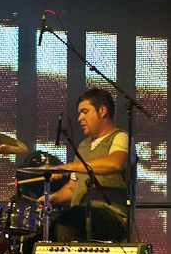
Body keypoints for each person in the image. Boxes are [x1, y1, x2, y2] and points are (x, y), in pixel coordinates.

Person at [41, 88, 130, 242]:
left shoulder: (120, 137)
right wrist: (53, 198)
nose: (79, 118)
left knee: (66, 222)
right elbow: (74, 188)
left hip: (111, 216)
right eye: (79, 113)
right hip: (80, 214)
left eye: (85, 111)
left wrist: (67, 167)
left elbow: (115, 163)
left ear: (102, 111)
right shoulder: (83, 146)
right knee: (45, 227)